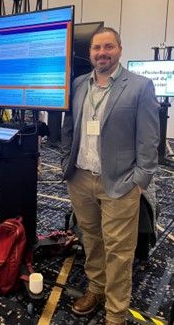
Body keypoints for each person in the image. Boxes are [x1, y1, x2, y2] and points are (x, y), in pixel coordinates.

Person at [61, 27, 160, 325]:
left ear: (119, 49)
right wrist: (67, 161)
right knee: (91, 239)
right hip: (80, 177)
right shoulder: (78, 84)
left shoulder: (140, 86)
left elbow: (149, 140)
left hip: (120, 181)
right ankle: (96, 289)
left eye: (108, 47)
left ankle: (116, 312)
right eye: (96, 48)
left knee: (119, 248)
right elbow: (69, 128)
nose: (101, 53)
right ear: (89, 52)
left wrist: (139, 180)